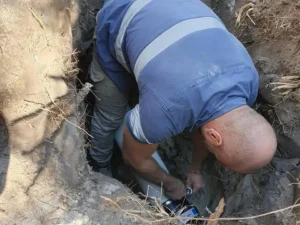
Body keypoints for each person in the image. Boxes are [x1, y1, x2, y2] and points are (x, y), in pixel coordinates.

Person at [87, 0, 277, 200]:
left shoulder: (249, 79)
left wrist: (195, 169)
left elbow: (208, 126)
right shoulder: (167, 108)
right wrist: (169, 183)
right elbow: (133, 157)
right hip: (120, 14)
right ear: (214, 137)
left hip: (176, 10)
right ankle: (99, 165)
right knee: (110, 115)